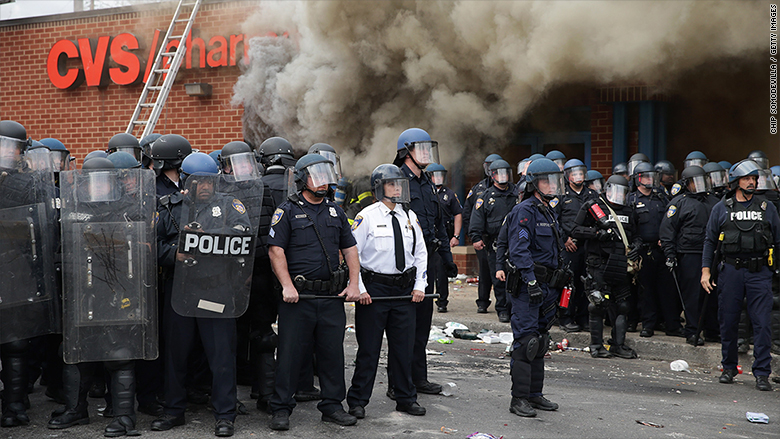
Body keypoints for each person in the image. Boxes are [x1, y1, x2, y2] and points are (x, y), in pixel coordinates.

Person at [52, 157, 157, 436]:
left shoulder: (128, 209)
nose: (99, 186)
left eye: (104, 180)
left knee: (120, 353)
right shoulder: (73, 209)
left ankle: (124, 416)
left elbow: (142, 251)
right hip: (82, 290)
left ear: (114, 181)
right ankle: (76, 410)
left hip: (118, 290)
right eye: (94, 180)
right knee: (75, 352)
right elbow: (59, 252)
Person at [152, 151, 255, 437]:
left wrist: (213, 240)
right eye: (200, 182)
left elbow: (244, 238)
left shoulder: (231, 205)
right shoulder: (169, 207)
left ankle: (225, 414)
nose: (206, 187)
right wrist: (177, 254)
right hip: (181, 289)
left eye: (210, 182)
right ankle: (174, 410)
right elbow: (152, 246)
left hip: (216, 288)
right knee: (176, 355)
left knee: (221, 355)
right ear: (187, 181)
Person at [267, 154, 360, 431]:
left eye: (325, 176)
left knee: (332, 355)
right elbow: (275, 250)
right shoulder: (287, 210)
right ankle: (281, 408)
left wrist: (354, 283)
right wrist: (287, 285)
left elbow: (350, 248)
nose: (323, 182)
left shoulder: (336, 211)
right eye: (316, 176)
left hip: (331, 297)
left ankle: (332, 406)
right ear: (302, 179)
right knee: (289, 355)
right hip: (299, 298)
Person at [347, 164, 428, 419]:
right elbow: (353, 255)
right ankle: (358, 400)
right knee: (369, 351)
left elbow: (421, 254)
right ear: (380, 187)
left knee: (404, 349)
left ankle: (405, 398)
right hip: (374, 292)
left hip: (404, 292)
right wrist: (359, 288)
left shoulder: (409, 217)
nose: (397, 189)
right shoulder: (366, 216)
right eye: (392, 184)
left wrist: (419, 285)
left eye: (399, 184)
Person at [389, 128, 457, 399]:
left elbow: (439, 222)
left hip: (428, 260)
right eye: (422, 149)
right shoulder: (395, 180)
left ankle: (418, 378)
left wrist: (448, 260)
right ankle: (398, 383)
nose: (428, 154)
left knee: (422, 325)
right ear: (407, 152)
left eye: (430, 148)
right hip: (405, 263)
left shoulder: (428, 181)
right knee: (402, 327)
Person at [701, 159, 779, 391]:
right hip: (731, 271)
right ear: (736, 182)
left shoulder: (768, 208)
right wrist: (706, 271)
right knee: (729, 321)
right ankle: (728, 367)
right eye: (747, 178)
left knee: (762, 323)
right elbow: (709, 241)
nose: (752, 182)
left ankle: (762, 373)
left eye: (754, 179)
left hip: (759, 272)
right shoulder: (721, 208)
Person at [500, 158, 564, 417]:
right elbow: (518, 250)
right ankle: (519, 399)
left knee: (541, 341)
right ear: (533, 183)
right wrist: (530, 280)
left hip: (548, 287)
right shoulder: (525, 210)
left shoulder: (548, 210)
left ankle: (535, 395)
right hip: (530, 287)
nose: (552, 185)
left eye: (553, 180)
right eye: (546, 181)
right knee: (526, 342)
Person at [572, 175, 642, 359]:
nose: (619, 195)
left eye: (623, 192)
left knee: (623, 306)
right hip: (599, 263)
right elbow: (575, 230)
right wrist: (596, 233)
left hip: (620, 264)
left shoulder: (629, 210)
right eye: (615, 190)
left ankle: (617, 345)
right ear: (607, 189)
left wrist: (636, 247)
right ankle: (596, 345)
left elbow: (636, 236)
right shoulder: (594, 206)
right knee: (597, 304)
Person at [660, 165, 719, 346]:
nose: (700, 186)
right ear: (687, 184)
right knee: (693, 296)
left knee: (713, 293)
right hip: (689, 255)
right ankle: (693, 331)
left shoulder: (715, 202)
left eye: (703, 181)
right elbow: (667, 232)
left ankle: (712, 330)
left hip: (713, 255)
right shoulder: (679, 203)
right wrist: (670, 255)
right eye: (696, 182)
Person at [628, 162, 684, 338]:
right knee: (646, 291)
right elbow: (630, 228)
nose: (650, 180)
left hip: (661, 250)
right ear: (638, 179)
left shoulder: (661, 198)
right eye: (646, 176)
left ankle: (672, 325)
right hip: (643, 251)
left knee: (668, 290)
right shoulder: (631, 200)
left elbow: (669, 221)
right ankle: (648, 325)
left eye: (651, 176)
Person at [469, 159, 518, 323]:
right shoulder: (485, 197)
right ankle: (502, 309)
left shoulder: (517, 193)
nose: (503, 177)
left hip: (516, 242)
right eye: (500, 173)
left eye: (506, 173)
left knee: (517, 276)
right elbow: (476, 219)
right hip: (495, 243)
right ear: (493, 175)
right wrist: (476, 238)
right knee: (499, 277)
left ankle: (515, 309)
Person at [556, 158, 597, 333]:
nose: (578, 177)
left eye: (580, 173)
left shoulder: (592, 195)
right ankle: (565, 317)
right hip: (570, 247)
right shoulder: (561, 196)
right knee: (568, 283)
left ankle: (583, 318)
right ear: (568, 176)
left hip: (588, 246)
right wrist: (565, 240)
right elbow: (555, 222)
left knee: (586, 283)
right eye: (574, 174)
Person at [462, 153, 503, 314]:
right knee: (485, 271)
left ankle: (504, 304)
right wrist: (474, 236)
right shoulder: (478, 189)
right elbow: (467, 214)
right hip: (484, 239)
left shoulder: (508, 187)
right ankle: (483, 302)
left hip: (500, 238)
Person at [426, 163, 463, 313]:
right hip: (427, 236)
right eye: (435, 175)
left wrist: (455, 236)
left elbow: (458, 214)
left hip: (443, 237)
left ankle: (442, 301)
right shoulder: (425, 192)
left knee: (441, 271)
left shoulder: (449, 194)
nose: (438, 178)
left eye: (441, 175)